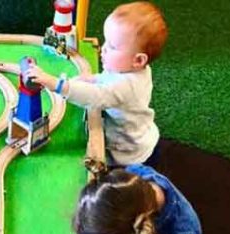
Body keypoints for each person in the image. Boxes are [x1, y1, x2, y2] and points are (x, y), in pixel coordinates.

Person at [27, 2, 167, 167]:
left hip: (130, 156)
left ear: (138, 60)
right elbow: (109, 79)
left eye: (113, 47)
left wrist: (54, 83)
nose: (103, 48)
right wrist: (93, 78)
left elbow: (95, 96)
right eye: (106, 41)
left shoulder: (126, 86)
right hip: (144, 137)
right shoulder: (133, 69)